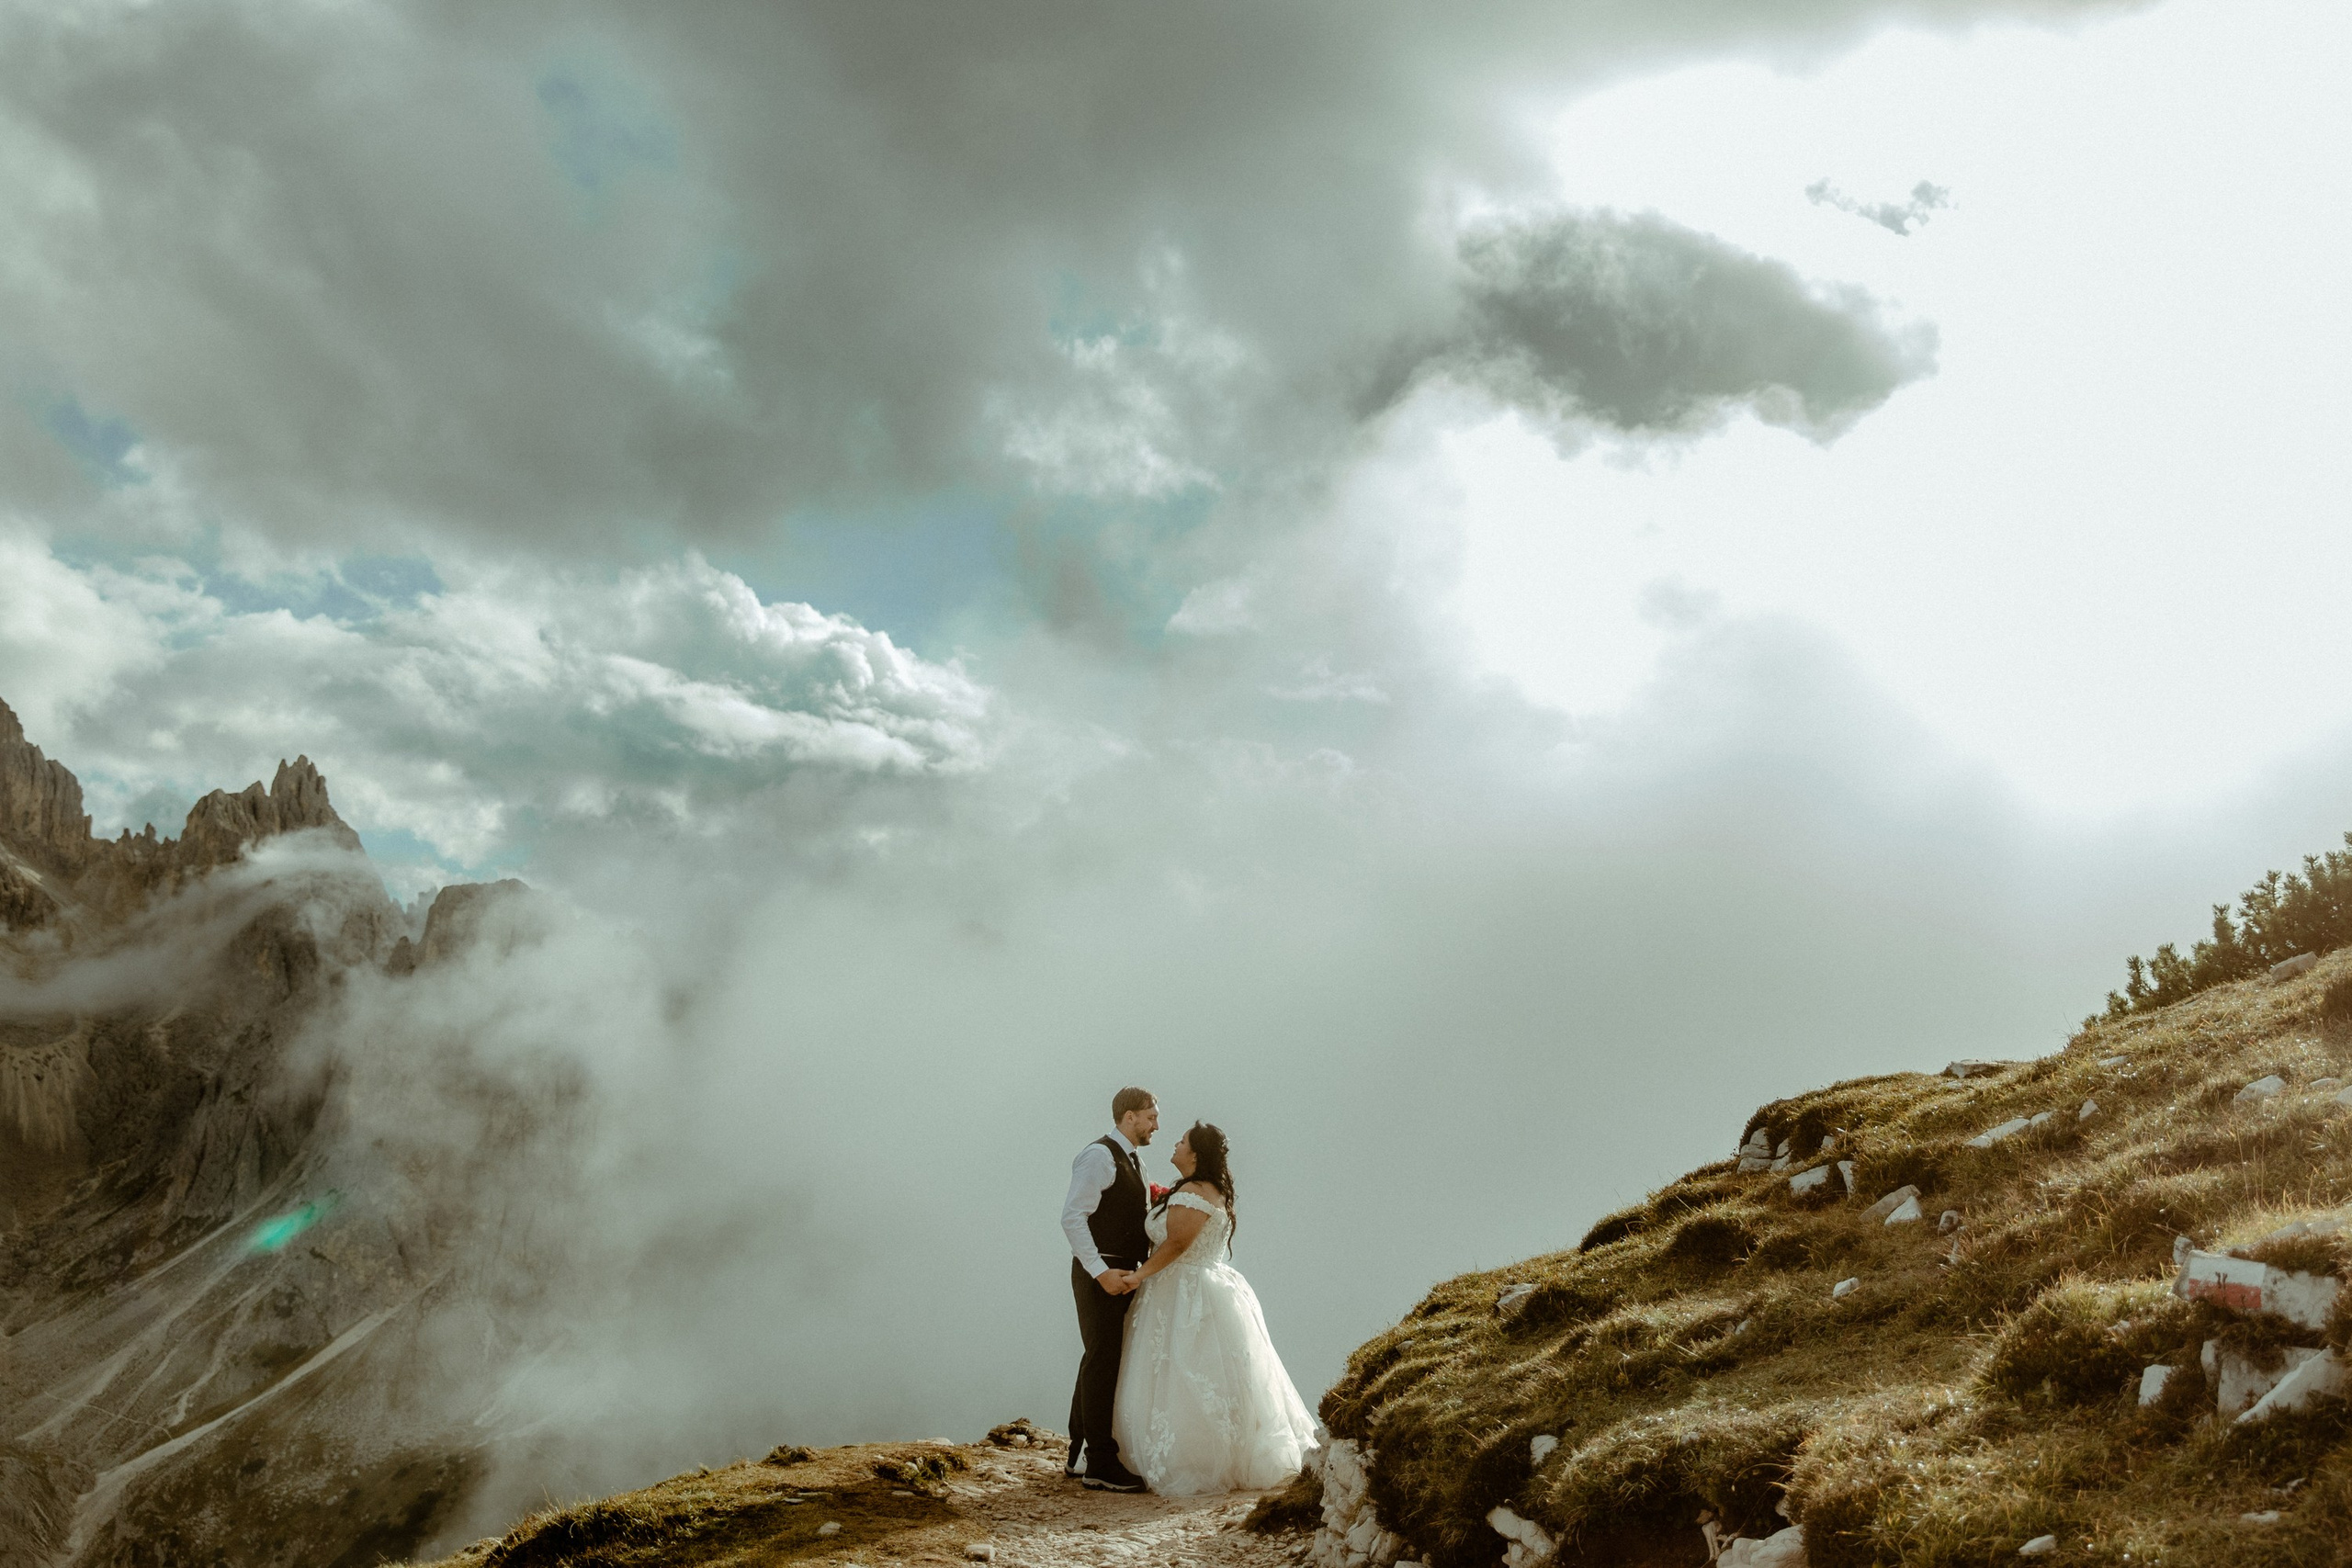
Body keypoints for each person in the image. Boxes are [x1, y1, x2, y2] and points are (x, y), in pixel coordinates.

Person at [1110, 1121, 1318, 1495]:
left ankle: (1192, 1458)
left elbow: (1176, 1245)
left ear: (1195, 1154)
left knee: (1183, 1368)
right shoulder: (1205, 1190)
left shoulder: (1194, 1192)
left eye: (1182, 1141)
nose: (1174, 1143)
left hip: (1184, 1288)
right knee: (1203, 1371)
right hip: (1201, 1284)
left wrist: (1138, 1278)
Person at [1060, 1085, 1159, 1492]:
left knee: (1098, 1358)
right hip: (1102, 1273)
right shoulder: (1100, 1156)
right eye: (1151, 1116)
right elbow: (1072, 1218)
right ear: (1128, 1117)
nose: (1157, 1124)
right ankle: (1100, 1461)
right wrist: (1101, 1272)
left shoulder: (1133, 1160)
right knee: (1102, 1360)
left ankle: (1078, 1450)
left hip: (1121, 1272)